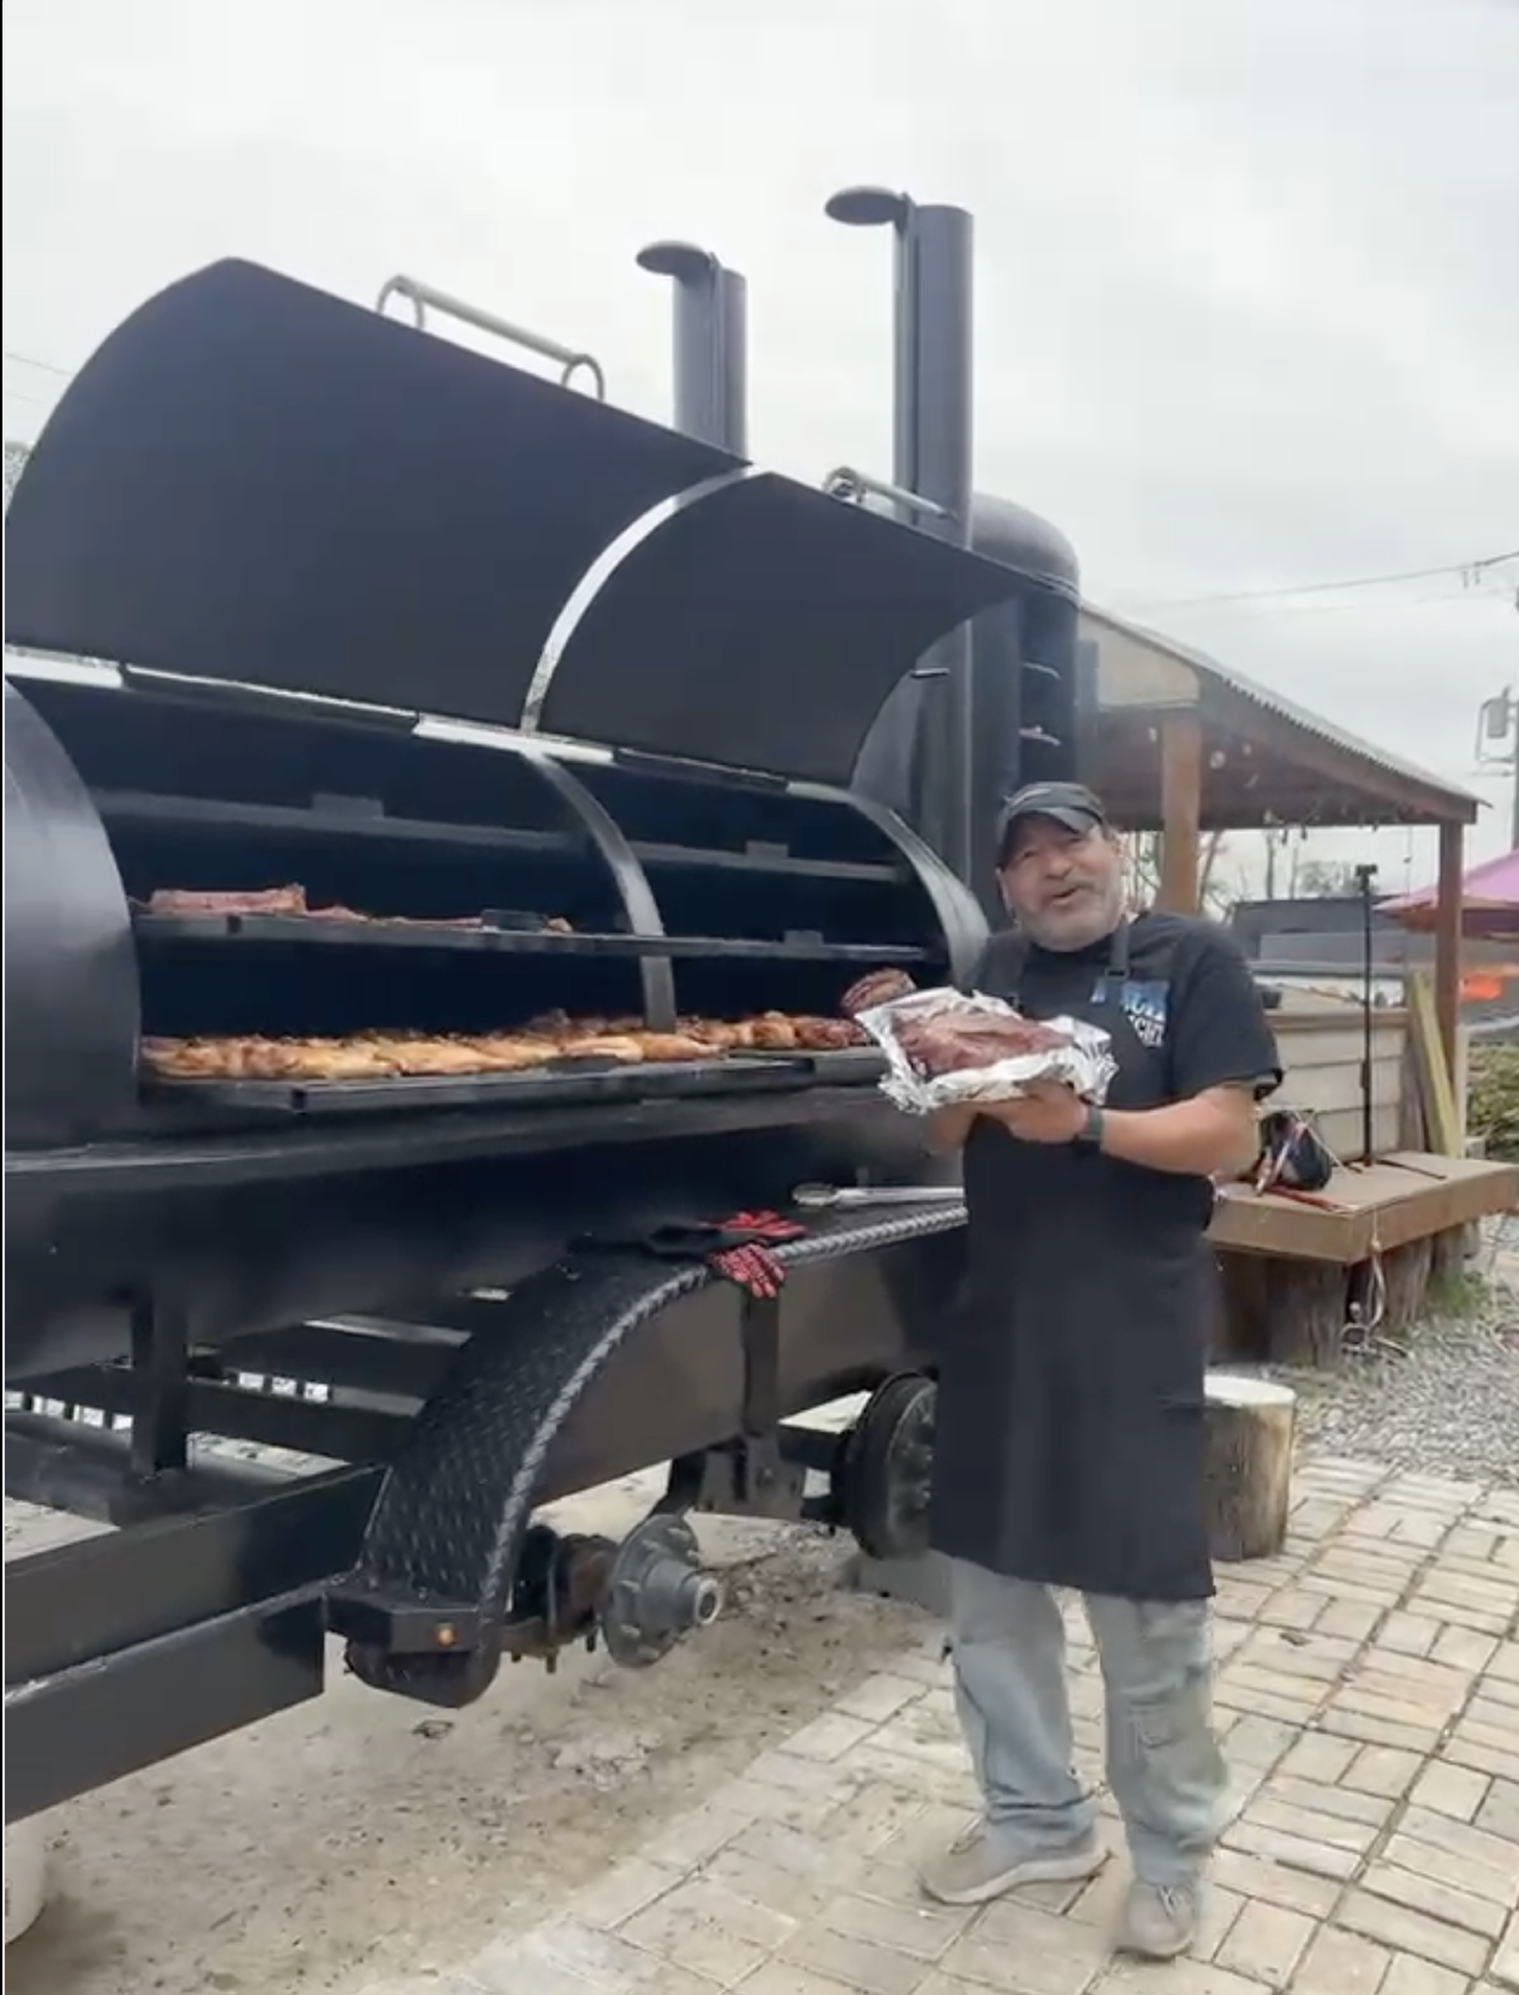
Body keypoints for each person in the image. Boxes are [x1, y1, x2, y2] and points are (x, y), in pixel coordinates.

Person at [916, 780, 1282, 1961]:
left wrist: (1083, 1125)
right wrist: (938, 1053)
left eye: (1065, 844)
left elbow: (1231, 1132)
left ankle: (1172, 1857)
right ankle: (1034, 1819)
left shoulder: (1192, 957)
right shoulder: (991, 971)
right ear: (1005, 885)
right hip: (998, 1322)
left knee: (1145, 1612)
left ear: (1109, 850)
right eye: (1022, 858)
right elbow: (935, 1128)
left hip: (1131, 1328)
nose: (1049, 871)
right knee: (990, 1595)